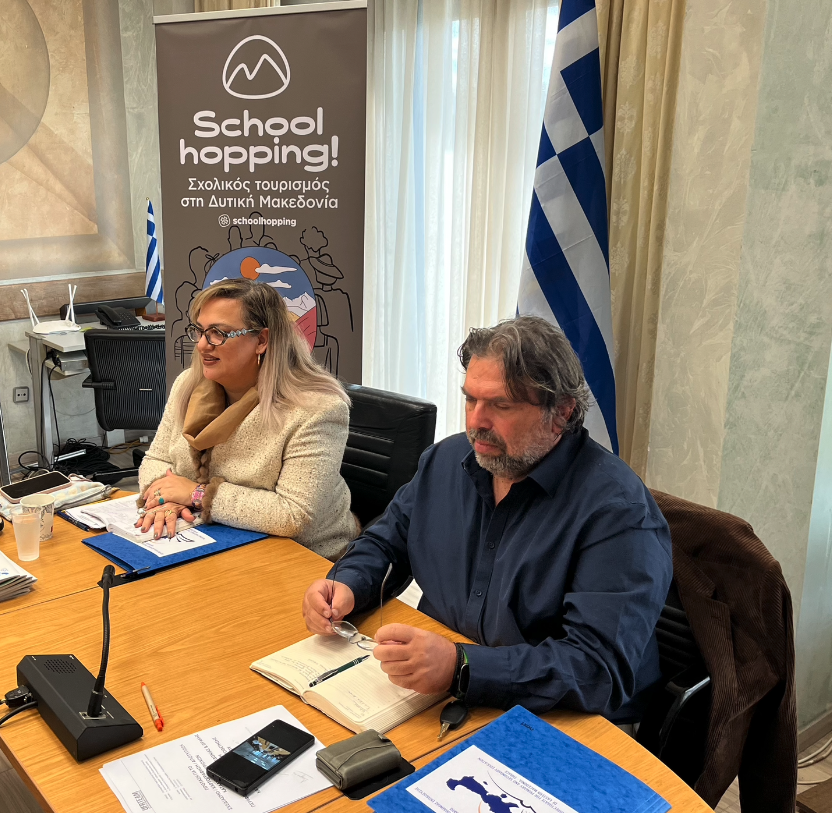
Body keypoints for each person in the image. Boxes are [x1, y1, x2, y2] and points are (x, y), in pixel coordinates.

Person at [303, 316, 672, 721]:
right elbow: (386, 542)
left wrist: (462, 667)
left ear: (562, 413)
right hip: (444, 685)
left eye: (501, 405)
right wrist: (348, 583)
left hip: (570, 716)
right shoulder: (446, 461)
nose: (476, 422)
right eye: (470, 400)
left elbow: (595, 670)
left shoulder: (618, 512)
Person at [137, 278, 357, 560]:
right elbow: (156, 460)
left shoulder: (317, 408)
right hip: (214, 539)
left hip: (305, 557)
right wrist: (165, 501)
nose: (202, 345)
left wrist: (196, 495)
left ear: (261, 340)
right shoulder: (187, 385)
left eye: (218, 333)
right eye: (200, 331)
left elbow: (293, 515)